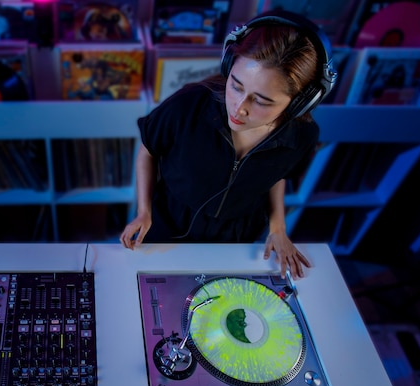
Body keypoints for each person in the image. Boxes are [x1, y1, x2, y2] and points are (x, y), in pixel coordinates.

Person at [120, 10, 337, 280]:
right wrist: (143, 212)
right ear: (228, 67)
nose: (239, 108)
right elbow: (148, 150)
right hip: (167, 222)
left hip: (237, 237)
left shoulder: (302, 136)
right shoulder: (188, 105)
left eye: (261, 101)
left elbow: (276, 175)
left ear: (299, 103)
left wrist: (278, 229)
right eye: (235, 85)